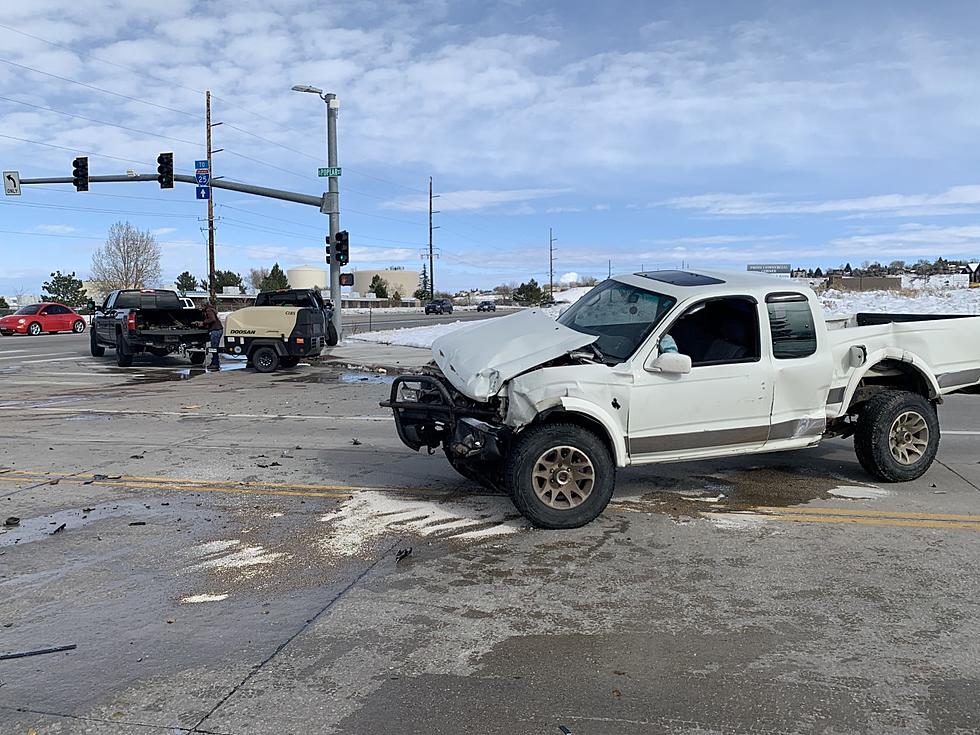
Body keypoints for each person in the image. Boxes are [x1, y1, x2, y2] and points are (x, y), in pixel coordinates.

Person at [199, 299, 222, 369]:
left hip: (216, 330)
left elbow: (212, 319)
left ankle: (215, 364)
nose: (200, 306)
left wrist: (203, 322)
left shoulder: (208, 310)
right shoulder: (211, 309)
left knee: (214, 348)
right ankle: (214, 362)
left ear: (204, 305)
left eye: (201, 305)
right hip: (218, 330)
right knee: (214, 348)